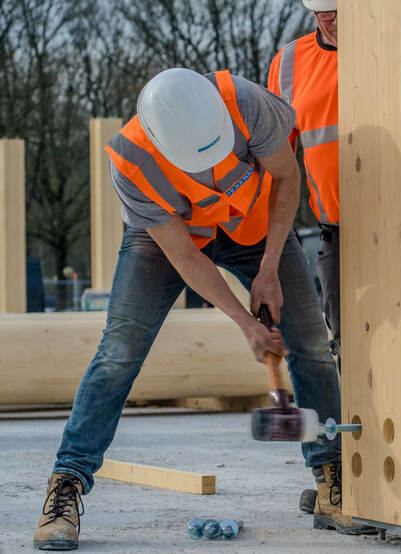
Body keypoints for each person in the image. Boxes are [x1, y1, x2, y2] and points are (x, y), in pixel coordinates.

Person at [33, 67, 368, 551]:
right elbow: (187, 258)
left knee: (311, 341)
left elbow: (287, 177)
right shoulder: (130, 161)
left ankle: (331, 476)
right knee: (120, 350)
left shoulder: (249, 104)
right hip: (176, 239)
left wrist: (269, 268)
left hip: (256, 228)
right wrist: (243, 322)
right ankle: (66, 484)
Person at [268, 0, 345, 522]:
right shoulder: (289, 63)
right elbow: (277, 169)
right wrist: (265, 257)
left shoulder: (400, 50)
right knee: (345, 353)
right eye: (318, 9)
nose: (326, 17)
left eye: (337, 8)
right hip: (340, 234)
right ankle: (346, 475)